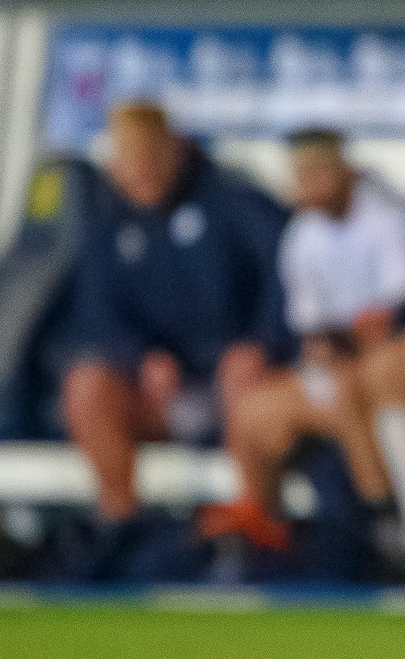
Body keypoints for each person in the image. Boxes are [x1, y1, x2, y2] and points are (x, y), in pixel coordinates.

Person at [202, 130, 405, 562]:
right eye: (301, 174)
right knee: (260, 408)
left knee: (379, 374)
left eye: (318, 172)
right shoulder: (303, 236)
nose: (308, 184)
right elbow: (315, 335)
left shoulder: (391, 214)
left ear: (343, 168)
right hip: (376, 375)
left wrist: (345, 348)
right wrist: (335, 353)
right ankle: (262, 543)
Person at [63, 100, 286, 569]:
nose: (142, 171)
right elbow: (97, 317)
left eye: (151, 156)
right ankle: (121, 523)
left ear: (176, 150)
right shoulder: (107, 227)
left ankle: (253, 525)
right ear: (115, 166)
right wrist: (140, 357)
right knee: (87, 386)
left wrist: (260, 342)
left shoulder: (232, 202)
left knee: (243, 378)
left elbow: (289, 273)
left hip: (236, 383)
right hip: (159, 394)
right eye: (131, 160)